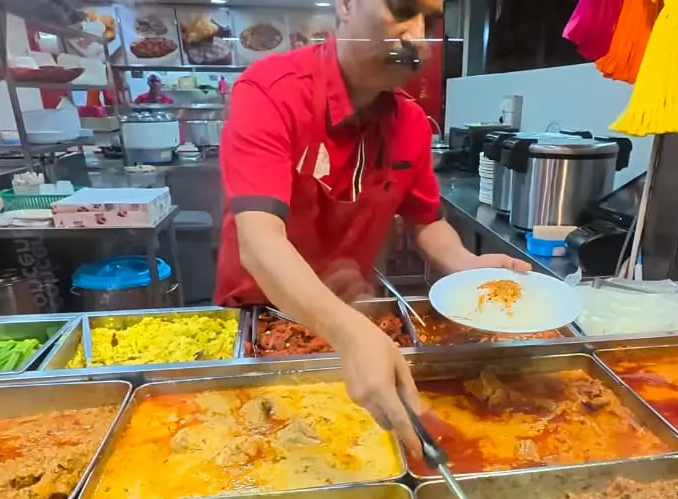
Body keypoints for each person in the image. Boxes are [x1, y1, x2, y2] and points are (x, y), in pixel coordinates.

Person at [215, 0, 529, 454]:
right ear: (344, 5)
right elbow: (260, 242)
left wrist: (468, 264)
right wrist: (349, 333)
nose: (417, 37)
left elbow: (427, 222)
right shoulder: (270, 91)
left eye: (431, 22)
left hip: (355, 317)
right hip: (266, 322)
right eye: (402, 10)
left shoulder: (411, 123)